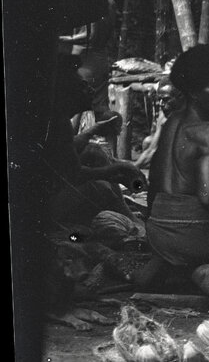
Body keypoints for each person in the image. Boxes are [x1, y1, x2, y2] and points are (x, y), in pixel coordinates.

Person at [133, 43, 209, 290]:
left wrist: (157, 225)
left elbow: (156, 183)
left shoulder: (171, 121)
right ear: (194, 91)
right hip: (190, 237)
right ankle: (205, 261)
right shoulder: (207, 131)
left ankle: (170, 262)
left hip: (158, 233)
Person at [44, 55, 148, 231]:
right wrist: (114, 170)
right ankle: (130, 220)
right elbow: (75, 174)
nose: (91, 90)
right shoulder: (57, 122)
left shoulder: (59, 118)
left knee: (94, 151)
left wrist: (92, 131)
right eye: (83, 86)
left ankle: (126, 213)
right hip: (46, 208)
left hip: (53, 193)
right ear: (67, 90)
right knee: (100, 187)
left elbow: (66, 151)